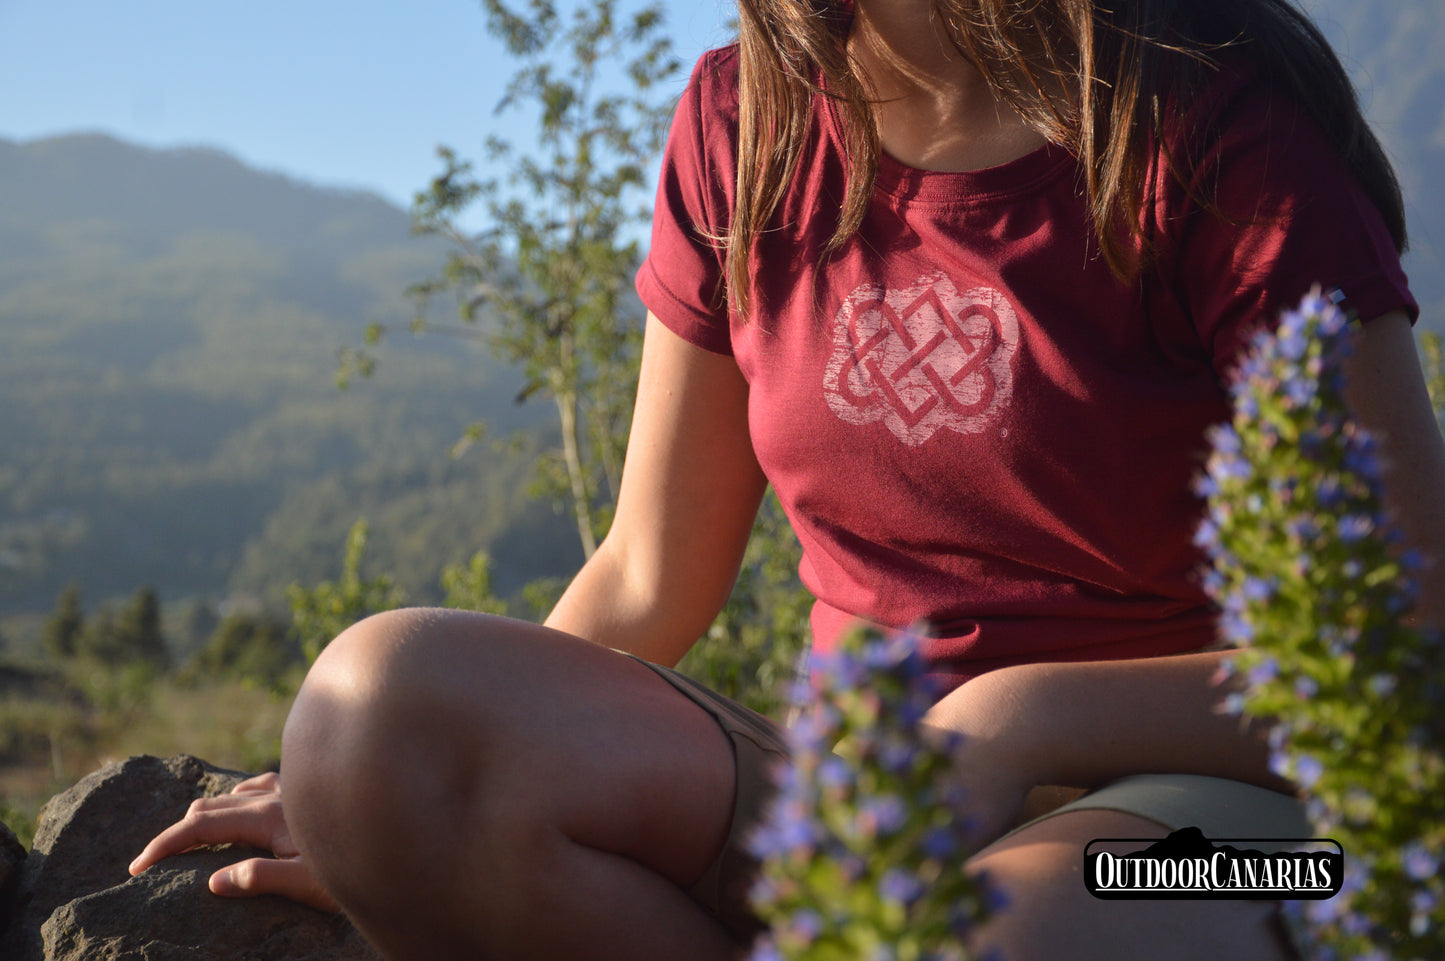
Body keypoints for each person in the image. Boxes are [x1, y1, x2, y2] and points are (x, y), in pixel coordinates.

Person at [131, 0, 1445, 958]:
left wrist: (1025, 719)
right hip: (861, 786)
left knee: (983, 939)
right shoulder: (741, 121)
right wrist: (376, 798)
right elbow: (648, 575)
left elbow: (1410, 653)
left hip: (1248, 839)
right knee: (376, 719)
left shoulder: (1215, 134)